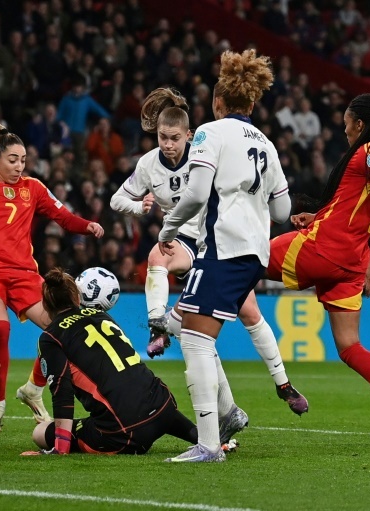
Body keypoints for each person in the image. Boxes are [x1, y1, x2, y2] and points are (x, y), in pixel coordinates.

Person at [110, 87, 307, 422]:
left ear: (187, 135)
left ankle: (279, 384)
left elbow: (205, 194)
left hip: (214, 242)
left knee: (239, 315)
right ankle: (159, 326)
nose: (168, 145)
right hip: (197, 242)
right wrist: (141, 208)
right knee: (163, 270)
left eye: (174, 138)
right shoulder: (147, 165)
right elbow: (117, 200)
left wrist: (167, 226)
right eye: (162, 138)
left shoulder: (206, 145)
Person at [266, 93, 370, 444]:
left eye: (346, 124)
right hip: (348, 264)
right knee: (349, 346)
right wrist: (321, 216)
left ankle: (181, 317)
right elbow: (355, 206)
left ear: (359, 123)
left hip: (324, 249)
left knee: (241, 261)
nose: (343, 131)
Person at [158, 49, 291, 462]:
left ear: (217, 103)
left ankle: (210, 443)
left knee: (195, 341)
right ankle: (225, 416)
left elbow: (197, 193)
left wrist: (168, 227)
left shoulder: (209, 133)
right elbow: (283, 211)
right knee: (182, 323)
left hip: (223, 247)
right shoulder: (266, 143)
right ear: (251, 103)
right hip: (254, 253)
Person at [0, 124, 104, 434]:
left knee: (61, 329)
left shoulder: (34, 188)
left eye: (23, 160)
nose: (19, 166)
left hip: (25, 275)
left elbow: (62, 216)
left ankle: (32, 388)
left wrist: (87, 226)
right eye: (13, 160)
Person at [24, 268, 198, 456]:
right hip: (163, 406)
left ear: (45, 304)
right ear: (76, 299)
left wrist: (60, 449)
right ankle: (208, 438)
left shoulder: (50, 337)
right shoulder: (102, 316)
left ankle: (73, 442)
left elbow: (61, 391)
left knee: (40, 432)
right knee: (137, 394)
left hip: (125, 433)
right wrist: (200, 436)